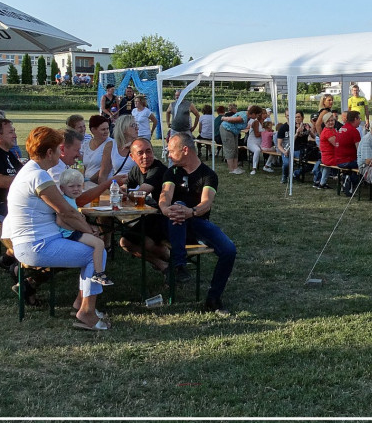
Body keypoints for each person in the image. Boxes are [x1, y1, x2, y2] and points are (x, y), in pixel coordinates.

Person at [2, 126, 109, 331]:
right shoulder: (39, 177)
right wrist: (88, 229)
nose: (61, 153)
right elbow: (66, 212)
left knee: (94, 249)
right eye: (58, 149)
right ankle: (86, 311)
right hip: (36, 245)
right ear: (49, 152)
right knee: (96, 252)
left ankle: (82, 305)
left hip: (33, 241)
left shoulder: (30, 171)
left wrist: (85, 229)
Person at [159, 133, 237, 316]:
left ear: (185, 150)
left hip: (197, 221)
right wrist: (164, 208)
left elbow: (206, 202)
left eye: (171, 151)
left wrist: (191, 212)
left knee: (229, 250)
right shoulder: (172, 172)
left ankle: (213, 298)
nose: (168, 155)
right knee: (178, 206)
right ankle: (179, 264)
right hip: (173, 222)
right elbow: (165, 195)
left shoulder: (208, 175)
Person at [120, 138, 171, 272]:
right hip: (152, 215)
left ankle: (172, 261)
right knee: (126, 242)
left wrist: (125, 193)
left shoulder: (158, 169)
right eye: (140, 153)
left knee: (134, 242)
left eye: (148, 151)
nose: (145, 156)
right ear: (132, 157)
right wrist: (124, 190)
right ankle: (163, 264)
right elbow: (127, 186)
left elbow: (140, 193)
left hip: (167, 217)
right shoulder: (136, 170)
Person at [55, 168, 113, 286]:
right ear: (62, 188)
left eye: (79, 186)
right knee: (99, 243)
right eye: (71, 186)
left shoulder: (71, 199)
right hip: (70, 234)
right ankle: (99, 274)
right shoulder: (65, 201)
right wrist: (77, 229)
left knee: (98, 241)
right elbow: (60, 221)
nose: (76, 189)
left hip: (74, 232)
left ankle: (97, 272)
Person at [220, 105, 259, 175]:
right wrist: (223, 118)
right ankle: (231, 169)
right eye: (257, 115)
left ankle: (235, 167)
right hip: (227, 130)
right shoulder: (243, 117)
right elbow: (230, 119)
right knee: (230, 149)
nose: (257, 117)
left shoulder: (248, 117)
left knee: (235, 149)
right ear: (253, 113)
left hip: (234, 132)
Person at [276, 111, 313, 183]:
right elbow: (279, 145)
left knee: (310, 163)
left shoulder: (305, 126)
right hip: (288, 149)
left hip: (302, 150)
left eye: (298, 117)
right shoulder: (285, 128)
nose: (297, 119)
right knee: (286, 164)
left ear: (302, 117)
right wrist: (296, 133)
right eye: (296, 117)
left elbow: (312, 137)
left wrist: (310, 131)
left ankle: (296, 173)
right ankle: (284, 176)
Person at [334, 111, 362, 195]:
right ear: (355, 119)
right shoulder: (354, 131)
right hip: (348, 161)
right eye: (359, 119)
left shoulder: (341, 128)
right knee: (367, 165)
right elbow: (359, 150)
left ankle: (347, 178)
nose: (360, 121)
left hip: (338, 161)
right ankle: (351, 180)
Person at [82, 115, 113, 184]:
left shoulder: (111, 144)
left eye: (107, 129)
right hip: (86, 183)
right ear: (93, 130)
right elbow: (81, 165)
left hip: (102, 183)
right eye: (103, 129)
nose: (106, 132)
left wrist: (89, 181)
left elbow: (105, 169)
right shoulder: (85, 144)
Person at [314, 111, 339, 189]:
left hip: (327, 157)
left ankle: (322, 183)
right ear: (324, 123)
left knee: (327, 167)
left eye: (332, 120)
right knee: (346, 162)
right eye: (328, 121)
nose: (331, 122)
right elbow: (337, 144)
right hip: (329, 158)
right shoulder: (328, 132)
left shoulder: (331, 130)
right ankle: (344, 182)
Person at [244, 110, 266, 175]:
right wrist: (265, 133)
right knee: (257, 150)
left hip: (260, 142)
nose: (265, 115)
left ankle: (268, 165)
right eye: (263, 114)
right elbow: (257, 134)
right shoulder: (255, 122)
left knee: (273, 149)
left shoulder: (264, 122)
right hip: (252, 142)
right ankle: (254, 168)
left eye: (266, 114)